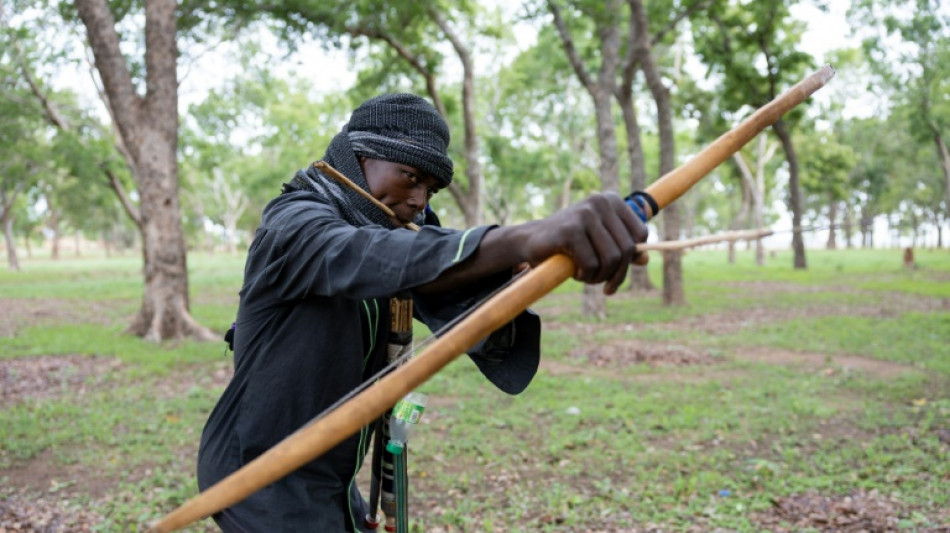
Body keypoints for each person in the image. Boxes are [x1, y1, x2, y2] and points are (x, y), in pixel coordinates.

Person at [196, 93, 649, 532]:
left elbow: (437, 277)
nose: (419, 201)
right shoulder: (294, 222)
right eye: (409, 176)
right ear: (358, 158)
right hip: (257, 474)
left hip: (323, 475)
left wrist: (511, 275)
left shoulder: (390, 226)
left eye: (429, 190)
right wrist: (525, 236)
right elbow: (373, 255)